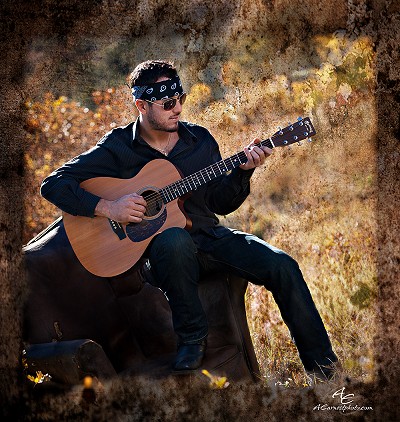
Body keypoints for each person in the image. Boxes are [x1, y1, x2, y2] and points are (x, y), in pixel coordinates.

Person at [41, 60, 338, 380]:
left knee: (283, 265)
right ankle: (192, 340)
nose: (177, 108)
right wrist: (109, 208)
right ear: (141, 105)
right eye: (168, 103)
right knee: (173, 239)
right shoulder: (116, 148)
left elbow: (219, 203)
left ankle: (323, 370)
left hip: (209, 238)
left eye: (180, 99)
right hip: (161, 254)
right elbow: (53, 185)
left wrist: (244, 171)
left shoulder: (201, 141)